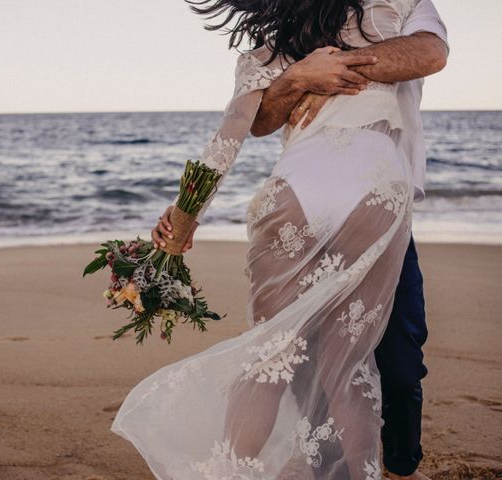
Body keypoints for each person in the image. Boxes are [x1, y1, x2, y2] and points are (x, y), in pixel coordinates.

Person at [112, 1, 449, 479]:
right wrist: (301, 79)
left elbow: (227, 139)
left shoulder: (269, 52)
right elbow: (263, 119)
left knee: (267, 361)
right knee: (345, 368)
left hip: (296, 190)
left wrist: (185, 218)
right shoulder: (386, 14)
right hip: (375, 186)